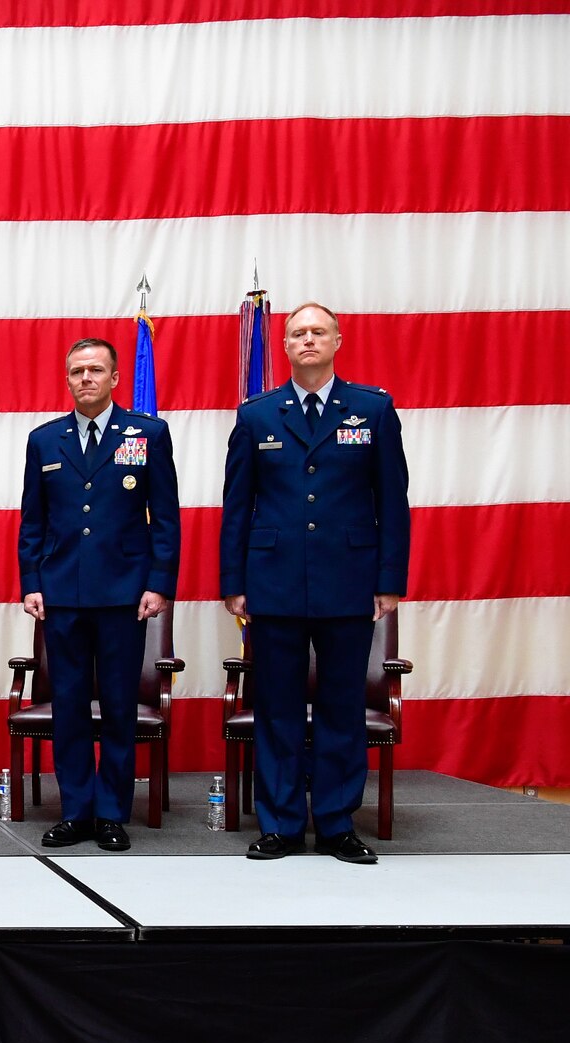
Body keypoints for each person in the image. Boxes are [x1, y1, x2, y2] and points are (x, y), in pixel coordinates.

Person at [221, 303, 410, 864]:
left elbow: (392, 502)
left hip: (348, 581)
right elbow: (237, 506)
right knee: (276, 705)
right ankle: (278, 823)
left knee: (342, 705)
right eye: (297, 333)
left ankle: (334, 822)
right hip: (272, 582)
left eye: (317, 332)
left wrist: (390, 580)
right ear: (283, 346)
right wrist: (234, 581)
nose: (308, 340)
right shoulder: (256, 415)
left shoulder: (372, 409)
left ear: (337, 340)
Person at [17, 338, 181, 851]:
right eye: (77, 371)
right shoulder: (45, 440)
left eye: (96, 370)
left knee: (116, 705)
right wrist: (31, 582)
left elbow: (166, 519)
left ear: (114, 378)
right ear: (67, 380)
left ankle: (111, 812)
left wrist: (159, 583)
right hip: (62, 593)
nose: (86, 378)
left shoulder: (148, 433)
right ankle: (76, 810)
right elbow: (33, 521)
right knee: (67, 705)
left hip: (124, 596)